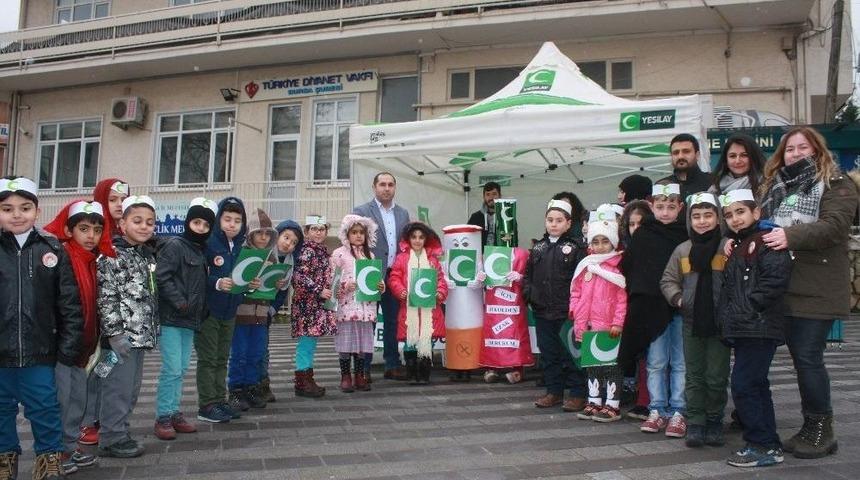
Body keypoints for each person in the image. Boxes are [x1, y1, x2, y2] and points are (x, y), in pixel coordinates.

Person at [758, 126, 860, 459]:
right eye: (790, 149)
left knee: (807, 358)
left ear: (817, 151)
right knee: (800, 360)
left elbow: (835, 225)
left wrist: (790, 236)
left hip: (816, 287)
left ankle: (822, 430)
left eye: (804, 147)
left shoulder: (836, 183)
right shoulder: (775, 187)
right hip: (782, 286)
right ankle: (809, 426)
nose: (797, 153)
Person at [0, 177, 83, 479]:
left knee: (44, 407)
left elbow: (69, 304)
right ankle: (5, 456)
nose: (16, 214)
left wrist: (68, 347)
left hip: (40, 350)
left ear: (36, 210)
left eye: (25, 207)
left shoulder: (52, 249)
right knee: (1, 408)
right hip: (1, 350)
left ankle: (49, 456)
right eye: (7, 209)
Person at [718, 189, 792, 467]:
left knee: (744, 384)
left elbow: (774, 281)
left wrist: (749, 307)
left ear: (756, 212)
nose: (735, 219)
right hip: (747, 326)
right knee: (756, 385)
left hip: (758, 325)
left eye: (740, 212)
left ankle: (761, 444)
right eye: (729, 214)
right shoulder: (740, 243)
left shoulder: (767, 240)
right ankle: (767, 443)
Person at [43, 200, 113, 472]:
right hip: (64, 347)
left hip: (84, 347)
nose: (91, 236)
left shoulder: (92, 261)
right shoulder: (62, 257)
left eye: (96, 230)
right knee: (64, 400)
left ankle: (69, 448)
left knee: (78, 399)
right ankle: (55, 452)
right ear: (69, 230)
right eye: (83, 229)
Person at [660, 192, 730, 448]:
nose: (702, 221)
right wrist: (679, 300)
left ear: (718, 218)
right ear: (690, 219)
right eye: (696, 216)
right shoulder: (683, 250)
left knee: (716, 376)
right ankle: (697, 422)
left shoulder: (727, 247)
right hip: (691, 323)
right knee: (694, 375)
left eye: (708, 215)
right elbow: (668, 280)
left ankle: (714, 420)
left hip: (719, 325)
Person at [619, 183, 688, 437]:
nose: (666, 212)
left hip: (680, 307)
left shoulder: (686, 234)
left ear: (680, 207)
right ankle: (657, 409)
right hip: (651, 306)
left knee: (680, 362)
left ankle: (679, 410)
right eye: (660, 207)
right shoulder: (644, 234)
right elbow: (630, 266)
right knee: (656, 361)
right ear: (652, 207)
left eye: (671, 207)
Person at [96, 195, 158, 458]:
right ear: (122, 223)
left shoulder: (144, 255)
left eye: (150, 222)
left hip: (140, 337)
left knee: (131, 388)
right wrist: (114, 334)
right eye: (137, 221)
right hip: (120, 339)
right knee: (116, 388)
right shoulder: (111, 255)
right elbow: (106, 297)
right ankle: (111, 437)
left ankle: (119, 429)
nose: (144, 227)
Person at [153, 198, 216, 440]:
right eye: (196, 222)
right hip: (172, 318)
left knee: (181, 368)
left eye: (205, 225)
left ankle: (174, 412)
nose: (200, 228)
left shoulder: (200, 251)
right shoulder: (175, 246)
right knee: (171, 369)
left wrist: (200, 308)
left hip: (191, 320)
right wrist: (180, 301)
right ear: (188, 222)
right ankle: (163, 417)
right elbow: (163, 277)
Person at [524, 199, 587, 411]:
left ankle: (578, 393)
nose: (554, 224)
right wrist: (529, 295)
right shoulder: (538, 248)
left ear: (569, 223)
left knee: (571, 353)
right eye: (550, 220)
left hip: (566, 312)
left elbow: (581, 280)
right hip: (542, 312)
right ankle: (554, 392)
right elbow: (528, 276)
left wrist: (576, 307)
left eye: (559, 220)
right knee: (549, 354)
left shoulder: (577, 248)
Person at [80, 178, 128, 447]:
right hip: (92, 320)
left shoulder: (122, 236)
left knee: (106, 371)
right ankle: (84, 422)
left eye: (123, 198)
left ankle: (98, 418)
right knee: (91, 370)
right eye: (112, 199)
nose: (119, 204)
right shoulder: (92, 235)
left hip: (114, 324)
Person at [353, 172, 410, 381]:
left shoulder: (403, 213)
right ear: (374, 187)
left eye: (391, 185)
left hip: (394, 274)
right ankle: (364, 367)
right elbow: (355, 242)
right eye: (382, 184)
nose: (387, 188)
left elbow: (405, 243)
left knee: (394, 321)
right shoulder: (361, 211)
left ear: (395, 188)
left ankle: (392, 364)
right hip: (370, 272)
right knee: (368, 320)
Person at [198, 197, 250, 424]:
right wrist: (217, 283)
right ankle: (207, 404)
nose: (232, 224)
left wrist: (250, 283)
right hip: (210, 311)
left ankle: (219, 400)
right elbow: (198, 275)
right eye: (227, 219)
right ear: (218, 219)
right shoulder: (209, 243)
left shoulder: (240, 247)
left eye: (237, 221)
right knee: (208, 359)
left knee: (222, 358)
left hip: (230, 311)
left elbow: (242, 277)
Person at [569, 219, 627, 423]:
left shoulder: (616, 270)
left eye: (605, 241)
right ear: (590, 244)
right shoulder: (585, 266)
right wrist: (574, 310)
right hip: (588, 326)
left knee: (611, 367)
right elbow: (575, 291)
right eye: (596, 242)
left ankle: (613, 404)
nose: (600, 246)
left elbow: (622, 300)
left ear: (613, 243)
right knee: (592, 366)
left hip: (609, 328)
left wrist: (618, 322)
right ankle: (594, 400)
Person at [228, 209, 277, 412]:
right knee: (239, 352)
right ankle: (235, 390)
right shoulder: (240, 253)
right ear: (250, 234)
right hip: (241, 313)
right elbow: (236, 282)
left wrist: (279, 281)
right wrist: (248, 283)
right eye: (259, 233)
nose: (264, 238)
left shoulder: (272, 258)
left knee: (256, 353)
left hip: (261, 314)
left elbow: (271, 287)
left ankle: (251, 387)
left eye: (267, 234)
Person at [388, 222, 448, 384]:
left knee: (426, 340)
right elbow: (394, 277)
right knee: (410, 341)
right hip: (409, 309)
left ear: (426, 239)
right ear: (408, 239)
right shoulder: (401, 258)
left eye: (421, 237)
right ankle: (412, 371)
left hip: (429, 310)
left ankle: (424, 372)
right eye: (414, 237)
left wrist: (439, 293)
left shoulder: (433, 260)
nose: (417, 240)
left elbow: (441, 280)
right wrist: (400, 291)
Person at [330, 214, 383, 392]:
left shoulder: (370, 254)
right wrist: (345, 285)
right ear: (347, 233)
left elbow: (374, 279)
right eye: (354, 232)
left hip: (365, 308)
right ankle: (345, 376)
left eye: (362, 232)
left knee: (362, 344)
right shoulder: (338, 254)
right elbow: (332, 281)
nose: (358, 235)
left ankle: (360, 375)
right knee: (346, 342)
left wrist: (380, 285)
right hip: (346, 307)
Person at [291, 215, 337, 397]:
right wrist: (318, 290)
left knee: (310, 342)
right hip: (306, 305)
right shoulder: (306, 251)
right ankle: (302, 381)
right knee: (306, 342)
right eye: (314, 229)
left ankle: (306, 378)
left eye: (322, 229)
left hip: (315, 305)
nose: (318, 232)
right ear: (306, 232)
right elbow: (298, 276)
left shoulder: (321, 251)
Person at [618, 200, 654, 421]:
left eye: (641, 223)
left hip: (654, 309)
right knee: (641, 358)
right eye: (631, 224)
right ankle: (643, 398)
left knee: (655, 360)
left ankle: (651, 401)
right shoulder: (626, 251)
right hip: (632, 309)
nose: (636, 228)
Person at [263, 220, 304, 402]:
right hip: (249, 309)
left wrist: (271, 310)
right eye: (286, 237)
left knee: (263, 350)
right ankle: (242, 388)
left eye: (294, 242)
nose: (288, 243)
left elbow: (283, 292)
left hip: (266, 313)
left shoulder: (289, 262)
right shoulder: (263, 253)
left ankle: (262, 384)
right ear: (277, 235)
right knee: (245, 351)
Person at [660, 134, 712, 201]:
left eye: (686, 151)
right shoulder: (662, 186)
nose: (680, 156)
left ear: (697, 155)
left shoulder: (712, 182)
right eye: (676, 153)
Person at [467, 181, 502, 246]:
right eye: (488, 194)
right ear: (484, 197)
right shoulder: (475, 217)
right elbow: (468, 239)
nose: (491, 197)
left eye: (494, 194)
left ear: (500, 195)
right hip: (480, 255)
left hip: (501, 255)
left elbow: (513, 242)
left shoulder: (507, 219)